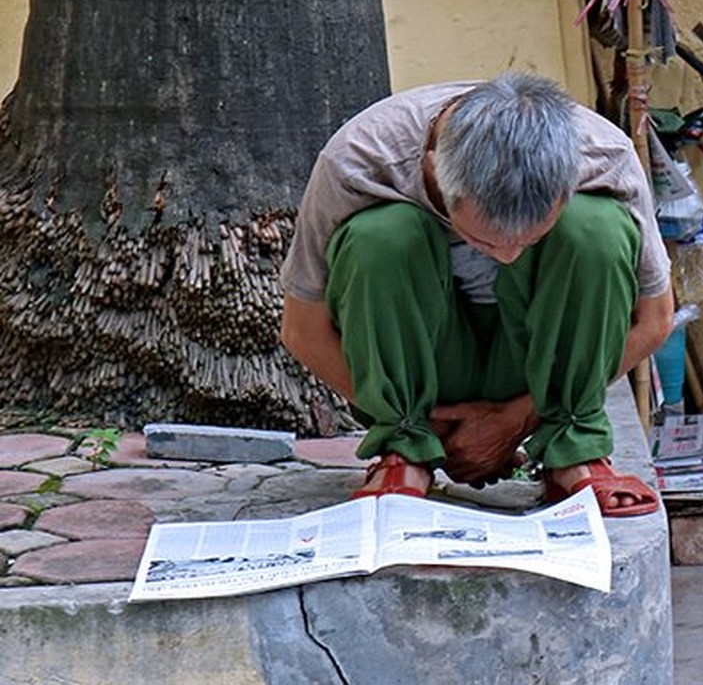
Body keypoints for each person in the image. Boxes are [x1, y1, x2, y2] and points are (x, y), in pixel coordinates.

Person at [279, 71, 673, 517]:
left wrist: (519, 418)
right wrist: (425, 426)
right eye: (486, 241)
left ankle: (573, 448)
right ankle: (404, 453)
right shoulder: (360, 159)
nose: (506, 257)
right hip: (424, 371)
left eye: (528, 242)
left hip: (540, 369)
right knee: (381, 235)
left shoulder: (605, 155)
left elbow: (655, 319)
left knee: (596, 228)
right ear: (433, 170)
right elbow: (302, 329)